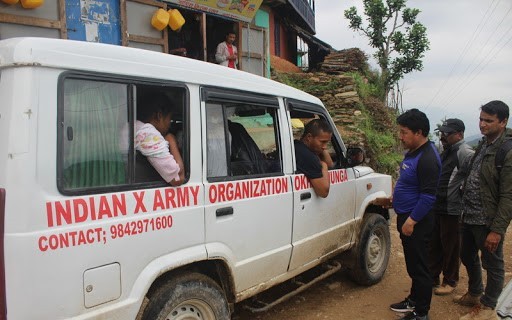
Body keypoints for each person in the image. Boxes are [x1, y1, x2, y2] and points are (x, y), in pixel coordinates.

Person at [455, 100, 512, 320]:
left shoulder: (507, 150)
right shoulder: (485, 144)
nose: (482, 124)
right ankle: (475, 292)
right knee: (467, 254)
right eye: (481, 119)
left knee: (493, 263)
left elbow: (508, 196)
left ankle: (488, 307)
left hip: (486, 219)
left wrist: (497, 230)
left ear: (503, 121)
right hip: (469, 215)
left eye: (488, 121)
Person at [389, 109, 441, 320]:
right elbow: (408, 181)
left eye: (404, 132)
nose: (401, 137)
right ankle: (414, 299)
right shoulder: (413, 152)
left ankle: (421, 313)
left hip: (417, 220)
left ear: (418, 132)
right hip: (407, 216)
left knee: (420, 267)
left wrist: (411, 221)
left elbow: (428, 197)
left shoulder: (428, 158)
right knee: (412, 263)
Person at [429, 118, 474, 296]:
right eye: (442, 133)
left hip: (453, 208)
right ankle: (432, 277)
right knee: (434, 245)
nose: (443, 136)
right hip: (438, 205)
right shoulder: (446, 150)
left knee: (451, 246)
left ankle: (450, 280)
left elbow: (471, 179)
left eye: (447, 134)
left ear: (459, 134)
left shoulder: (465, 152)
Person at [135, 93, 184, 186]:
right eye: (169, 118)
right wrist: (172, 141)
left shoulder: (132, 127)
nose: (169, 124)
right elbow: (178, 178)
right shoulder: (147, 134)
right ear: (159, 116)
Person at [294, 118, 334, 198]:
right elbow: (323, 192)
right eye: (322, 141)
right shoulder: (309, 158)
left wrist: (322, 146)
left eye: (327, 142)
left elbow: (331, 165)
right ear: (309, 137)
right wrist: (323, 165)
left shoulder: (296, 146)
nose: (325, 147)